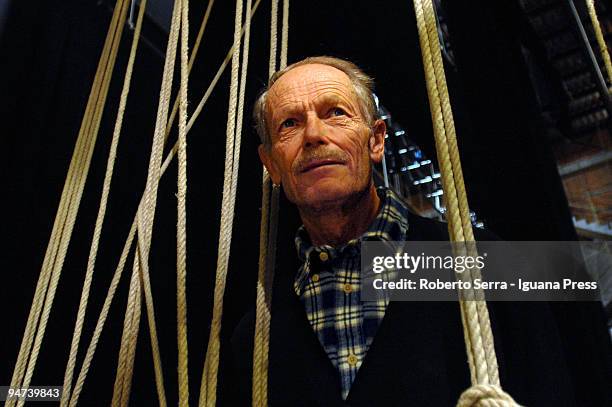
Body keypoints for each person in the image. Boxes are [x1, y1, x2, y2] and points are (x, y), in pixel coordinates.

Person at [229, 56, 611, 406]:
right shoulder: (256, 337)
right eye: (289, 124)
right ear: (271, 165)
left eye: (336, 113)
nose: (313, 134)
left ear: (376, 140)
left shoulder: (485, 267)